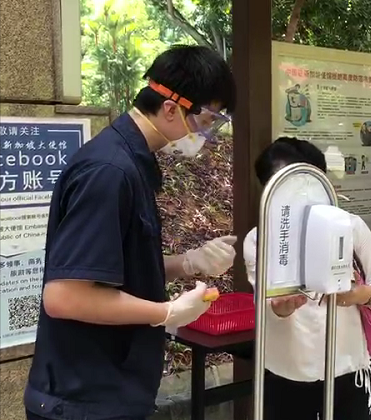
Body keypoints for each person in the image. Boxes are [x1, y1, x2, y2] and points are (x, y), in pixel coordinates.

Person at [24, 45, 238, 420]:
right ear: (170, 108)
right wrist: (166, 312)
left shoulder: (131, 163)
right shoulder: (110, 171)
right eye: (206, 121)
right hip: (83, 402)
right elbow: (65, 296)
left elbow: (114, 269)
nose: (205, 135)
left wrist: (188, 262)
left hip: (108, 394)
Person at [242, 137, 371, 420]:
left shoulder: (349, 226)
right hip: (286, 371)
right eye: (281, 184)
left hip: (346, 369)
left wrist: (359, 295)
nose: (295, 193)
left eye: (305, 182)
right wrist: (280, 309)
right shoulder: (259, 239)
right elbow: (264, 303)